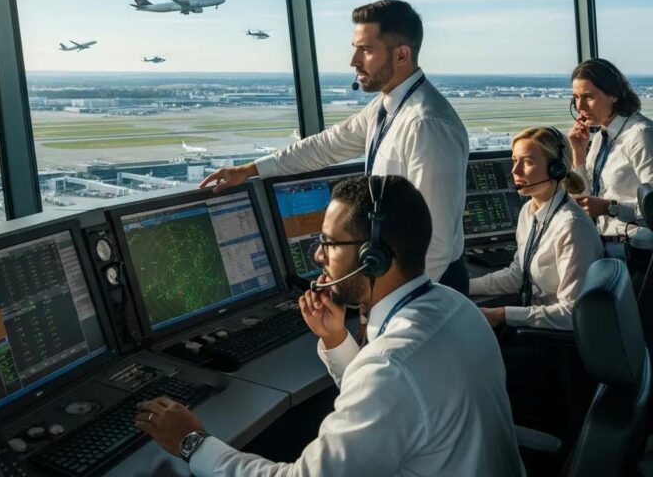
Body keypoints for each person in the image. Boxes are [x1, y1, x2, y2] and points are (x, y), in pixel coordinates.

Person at [136, 175, 523, 476]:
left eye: (330, 243)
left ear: (373, 259)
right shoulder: (456, 307)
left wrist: (193, 443)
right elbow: (395, 404)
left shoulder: (391, 367)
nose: (318, 255)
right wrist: (337, 340)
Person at [200, 0, 470, 292]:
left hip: (425, 289)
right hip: (393, 279)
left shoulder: (427, 125)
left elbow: (435, 244)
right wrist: (251, 169)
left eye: (365, 50)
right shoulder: (387, 106)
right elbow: (326, 145)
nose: (353, 60)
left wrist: (379, 303)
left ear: (402, 55)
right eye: (355, 48)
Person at [470, 126, 603, 330]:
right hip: (534, 324)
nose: (515, 171)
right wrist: (463, 286)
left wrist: (503, 315)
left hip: (557, 337)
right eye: (515, 160)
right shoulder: (528, 212)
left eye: (527, 162)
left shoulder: (572, 226)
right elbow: (518, 276)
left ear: (556, 169)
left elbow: (572, 313)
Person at [568, 58, 653, 241]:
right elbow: (584, 200)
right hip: (600, 240)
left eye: (588, 97)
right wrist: (578, 154)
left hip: (634, 245)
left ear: (614, 95)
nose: (580, 107)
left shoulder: (641, 135)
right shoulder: (601, 136)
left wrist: (611, 208)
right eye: (576, 98)